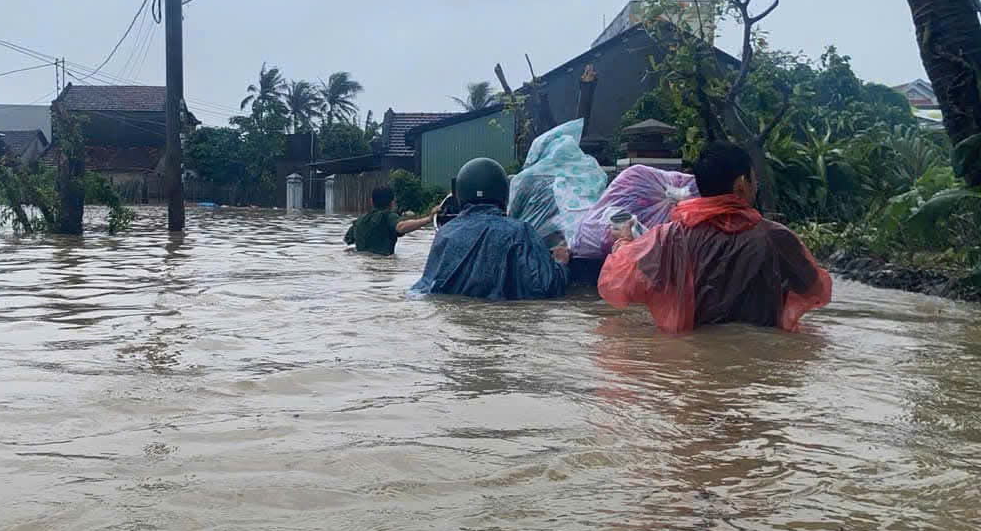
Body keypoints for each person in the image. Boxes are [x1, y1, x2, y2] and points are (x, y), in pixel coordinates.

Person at [598, 141, 832, 332]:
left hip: (689, 365)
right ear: (741, 185)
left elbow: (622, 280)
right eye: (754, 179)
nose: (756, 186)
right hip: (759, 368)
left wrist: (625, 241)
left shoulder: (667, 238)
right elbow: (815, 290)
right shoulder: (777, 238)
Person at [411, 157, 570, 299]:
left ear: (460, 194)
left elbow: (426, 287)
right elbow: (544, 287)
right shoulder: (519, 231)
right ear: (504, 192)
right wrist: (560, 263)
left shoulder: (445, 233)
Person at [344, 185, 436, 255]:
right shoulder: (388, 216)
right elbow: (401, 227)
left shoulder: (359, 221)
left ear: (371, 201)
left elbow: (348, 243)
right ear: (392, 202)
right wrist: (429, 219)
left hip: (363, 266)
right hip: (384, 263)